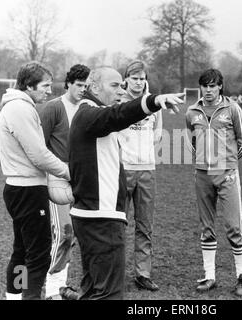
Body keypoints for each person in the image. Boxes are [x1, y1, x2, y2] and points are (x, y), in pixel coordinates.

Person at [68, 66, 184, 300]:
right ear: (95, 87)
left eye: (122, 85)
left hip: (94, 217)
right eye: (115, 85)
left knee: (92, 290)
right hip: (100, 220)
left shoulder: (92, 113)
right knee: (109, 294)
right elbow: (118, 115)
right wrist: (153, 101)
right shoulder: (89, 113)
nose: (121, 90)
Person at [0, 61, 70, 300]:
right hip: (27, 191)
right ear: (29, 85)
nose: (49, 90)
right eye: (45, 85)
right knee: (38, 255)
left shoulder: (19, 106)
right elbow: (39, 155)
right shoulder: (20, 108)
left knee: (22, 250)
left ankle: (15, 297)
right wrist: (68, 172)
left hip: (20, 189)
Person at [185, 69, 242, 297]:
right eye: (205, 86)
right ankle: (209, 276)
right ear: (200, 88)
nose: (209, 90)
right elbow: (191, 142)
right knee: (206, 227)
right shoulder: (192, 112)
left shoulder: (232, 109)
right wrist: (203, 161)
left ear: (220, 87)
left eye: (213, 86)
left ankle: (241, 278)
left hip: (227, 175)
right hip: (202, 175)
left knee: (234, 226)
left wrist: (228, 164)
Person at [38, 64, 90, 300]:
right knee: (63, 232)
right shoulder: (53, 108)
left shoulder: (88, 108)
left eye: (86, 86)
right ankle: (51, 289)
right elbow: (39, 146)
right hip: (56, 180)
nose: (82, 90)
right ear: (68, 83)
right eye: (79, 85)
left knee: (74, 234)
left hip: (80, 181)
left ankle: (60, 284)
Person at [117, 60, 162, 291]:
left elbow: (157, 135)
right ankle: (115, 274)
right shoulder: (117, 101)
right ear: (126, 79)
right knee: (118, 225)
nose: (139, 82)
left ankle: (143, 274)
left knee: (145, 225)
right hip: (123, 170)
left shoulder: (154, 103)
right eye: (134, 78)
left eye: (142, 78)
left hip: (147, 171)